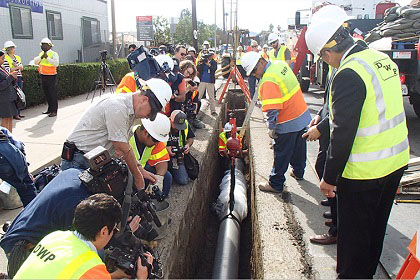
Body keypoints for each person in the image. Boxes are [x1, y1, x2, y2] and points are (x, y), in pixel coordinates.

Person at [305, 5, 409, 278]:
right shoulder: (380, 59)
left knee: (352, 244)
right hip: (394, 164)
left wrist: (329, 178)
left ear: (327, 53)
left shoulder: (348, 73)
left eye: (323, 58)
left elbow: (343, 132)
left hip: (365, 174)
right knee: (374, 233)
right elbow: (370, 109)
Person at [1, 160, 141, 278]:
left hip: (23, 230)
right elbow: (89, 267)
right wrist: (121, 274)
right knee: (99, 254)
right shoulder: (75, 203)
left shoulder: (75, 174)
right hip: (19, 248)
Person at [61, 78, 172, 191]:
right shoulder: (117, 107)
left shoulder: (131, 111)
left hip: (93, 161)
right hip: (78, 160)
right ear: (144, 100)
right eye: (151, 112)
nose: (149, 117)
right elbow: (122, 148)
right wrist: (138, 178)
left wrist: (140, 169)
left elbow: (125, 145)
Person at [13, 194, 151, 279]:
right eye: (114, 230)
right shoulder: (90, 265)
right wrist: (142, 277)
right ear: (104, 231)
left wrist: (116, 275)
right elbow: (86, 273)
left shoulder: (54, 237)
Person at [242, 51, 311, 193]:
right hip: (301, 114)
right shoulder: (279, 64)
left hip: (287, 120)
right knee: (299, 146)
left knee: (281, 152)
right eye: (252, 73)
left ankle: (275, 183)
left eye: (255, 70)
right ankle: (298, 172)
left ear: (261, 61)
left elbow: (273, 109)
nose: (255, 74)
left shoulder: (268, 79)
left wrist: (271, 128)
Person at [129, 113, 172, 197]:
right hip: (128, 174)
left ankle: (154, 201)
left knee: (167, 177)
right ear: (145, 132)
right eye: (156, 140)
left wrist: (158, 179)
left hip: (142, 170)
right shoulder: (127, 138)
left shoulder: (154, 140)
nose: (157, 143)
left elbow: (162, 161)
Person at [0, 126, 37, 207]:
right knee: (26, 188)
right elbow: (18, 145)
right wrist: (25, 169)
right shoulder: (2, 130)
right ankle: (34, 214)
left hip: (5, 161)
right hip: (7, 157)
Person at [167, 110, 195, 185]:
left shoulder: (185, 123)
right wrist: (166, 148)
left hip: (178, 156)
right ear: (170, 120)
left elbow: (190, 138)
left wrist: (188, 145)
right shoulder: (163, 125)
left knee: (183, 180)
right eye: (176, 125)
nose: (178, 128)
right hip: (164, 157)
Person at [33, 38, 59, 117]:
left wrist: (47, 58)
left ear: (49, 46)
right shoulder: (41, 54)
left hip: (51, 76)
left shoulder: (53, 54)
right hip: (43, 75)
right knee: (47, 93)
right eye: (42, 45)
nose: (42, 46)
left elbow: (56, 64)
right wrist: (41, 57)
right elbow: (35, 62)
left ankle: (54, 110)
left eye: (44, 44)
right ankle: (49, 109)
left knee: (52, 93)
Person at [179, 60, 205, 129]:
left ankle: (192, 118)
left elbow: (195, 101)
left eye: (190, 74)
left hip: (187, 109)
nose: (188, 75)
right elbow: (178, 98)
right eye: (187, 72)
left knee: (198, 101)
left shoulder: (190, 84)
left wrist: (193, 112)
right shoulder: (177, 80)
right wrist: (187, 89)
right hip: (178, 109)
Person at [3, 41, 24, 120]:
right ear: (8, 49)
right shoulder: (5, 58)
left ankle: (18, 112)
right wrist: (16, 67)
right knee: (14, 95)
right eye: (12, 48)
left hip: (19, 77)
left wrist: (17, 67)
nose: (14, 49)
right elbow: (7, 69)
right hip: (12, 78)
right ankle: (15, 113)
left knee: (19, 95)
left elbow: (21, 67)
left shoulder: (17, 57)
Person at [0, 50, 18, 132]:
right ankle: (4, 139)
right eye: (2, 59)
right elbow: (1, 85)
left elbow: (8, 80)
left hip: (9, 97)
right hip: (3, 99)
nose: (3, 61)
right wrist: (10, 77)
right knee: (5, 119)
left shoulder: (2, 68)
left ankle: (10, 137)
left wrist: (13, 78)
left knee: (9, 118)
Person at [197, 49, 217, 116]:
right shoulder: (202, 62)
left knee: (211, 97)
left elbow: (214, 69)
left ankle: (213, 110)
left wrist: (209, 65)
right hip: (202, 81)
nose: (210, 57)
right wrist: (201, 62)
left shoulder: (214, 62)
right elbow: (198, 69)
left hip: (210, 81)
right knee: (198, 96)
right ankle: (196, 110)